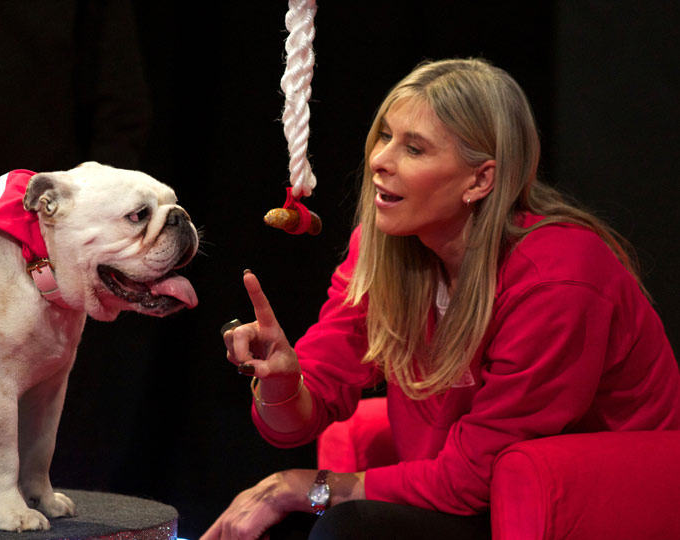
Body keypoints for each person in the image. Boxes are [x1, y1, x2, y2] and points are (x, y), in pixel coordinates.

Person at [201, 58, 680, 540]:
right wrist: (283, 382)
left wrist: (307, 487)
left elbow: (472, 479)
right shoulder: (381, 247)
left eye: (414, 148)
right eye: (385, 136)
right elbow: (296, 420)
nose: (379, 160)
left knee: (346, 529)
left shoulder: (558, 278)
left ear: (479, 180)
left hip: (591, 508)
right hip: (479, 497)